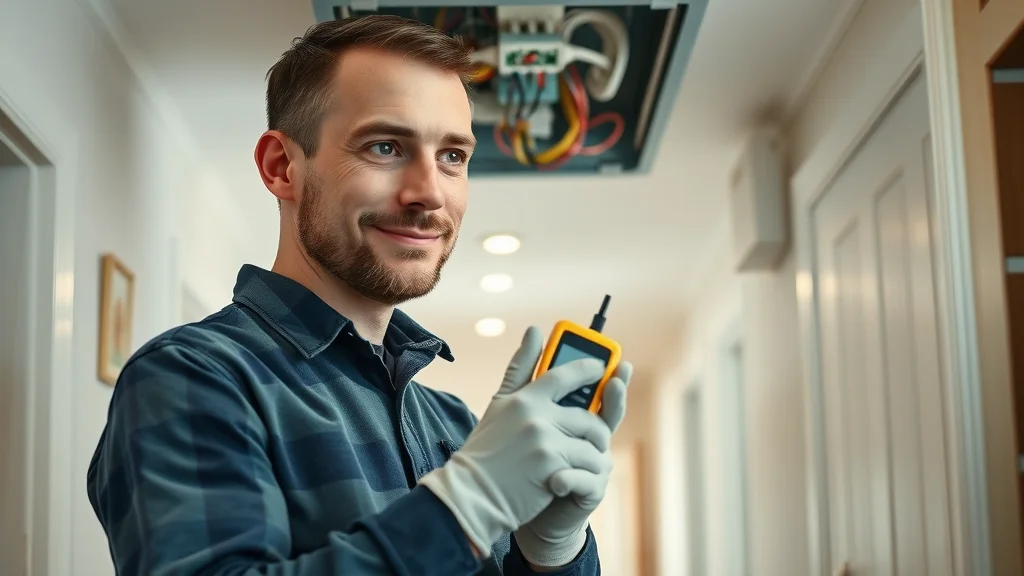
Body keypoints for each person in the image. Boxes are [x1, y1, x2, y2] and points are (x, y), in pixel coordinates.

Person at [86, 13, 633, 576]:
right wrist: (465, 509)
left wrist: (550, 551)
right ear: (281, 167)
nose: (429, 194)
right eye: (385, 147)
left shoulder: (455, 426)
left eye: (453, 157)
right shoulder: (192, 380)